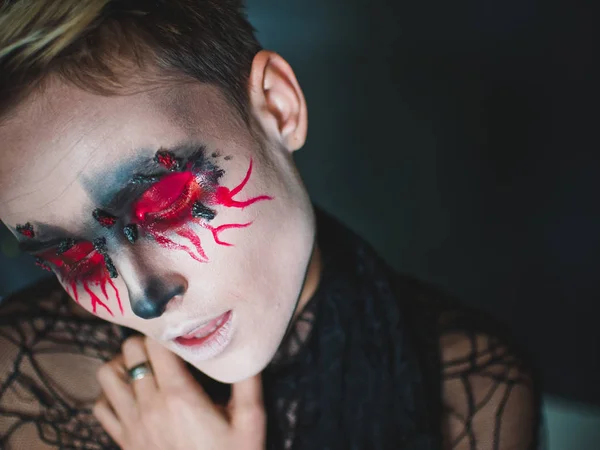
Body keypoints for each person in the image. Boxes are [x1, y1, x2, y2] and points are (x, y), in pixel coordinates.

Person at [0, 1, 541, 449]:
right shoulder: (23, 380)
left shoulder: (471, 386)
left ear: (278, 108)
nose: (144, 298)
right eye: (72, 257)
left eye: (166, 202)